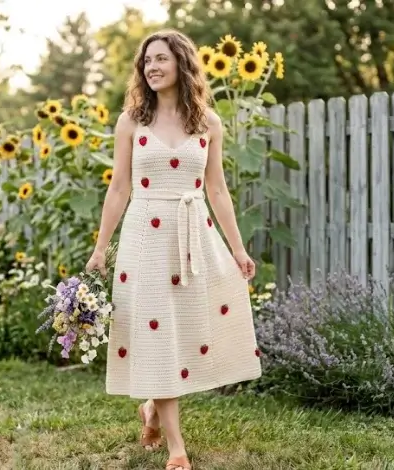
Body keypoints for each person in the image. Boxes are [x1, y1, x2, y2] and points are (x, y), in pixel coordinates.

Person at [85, 29, 262, 470]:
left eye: (161, 59)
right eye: (147, 61)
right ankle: (177, 448)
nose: (152, 67)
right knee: (156, 335)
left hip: (192, 237)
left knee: (181, 331)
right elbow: (119, 187)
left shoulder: (208, 123)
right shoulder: (131, 121)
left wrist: (238, 250)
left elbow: (218, 190)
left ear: (182, 63)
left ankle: (151, 409)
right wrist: (101, 247)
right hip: (145, 238)